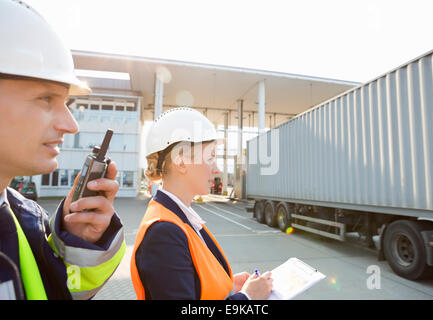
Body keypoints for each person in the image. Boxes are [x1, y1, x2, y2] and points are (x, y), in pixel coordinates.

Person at [0, 0, 125, 300]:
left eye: (66, 103)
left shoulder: (28, 220)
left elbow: (64, 291)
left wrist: (78, 242)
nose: (71, 125)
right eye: (46, 99)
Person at [130, 108, 273, 300]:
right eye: (211, 157)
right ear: (181, 162)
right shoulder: (164, 232)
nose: (217, 169)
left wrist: (227, 286)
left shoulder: (178, 219)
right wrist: (247, 298)